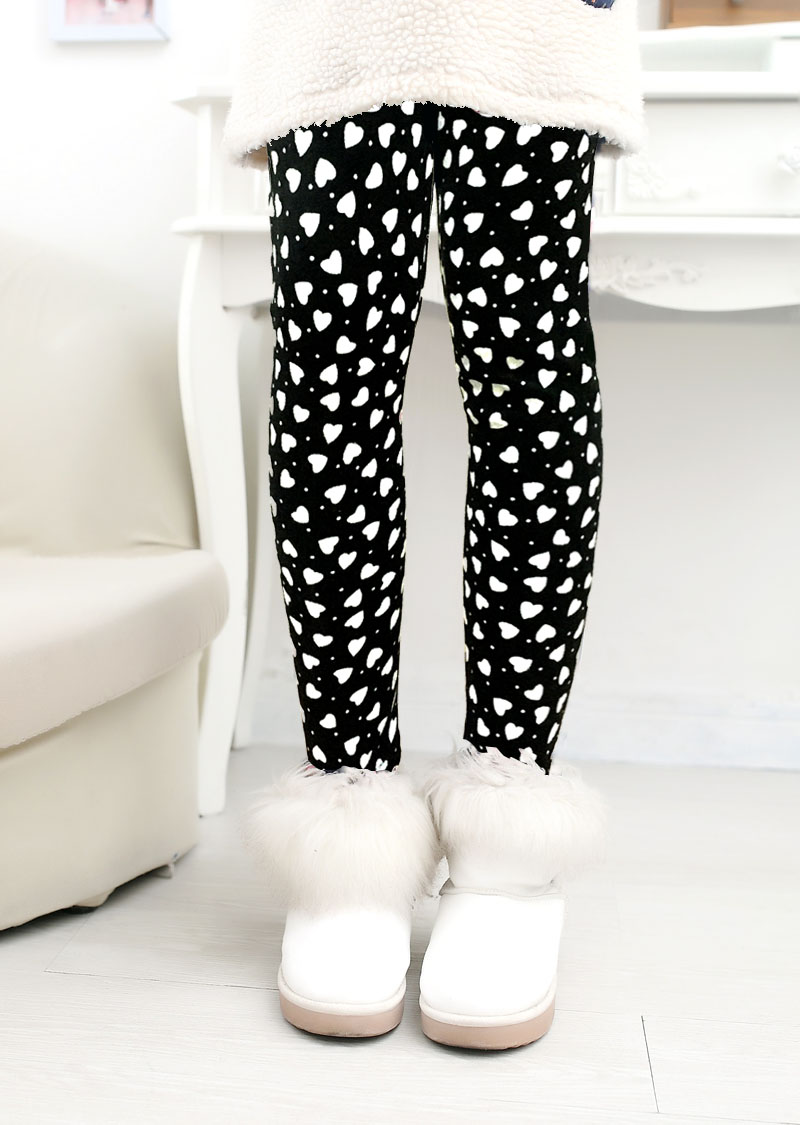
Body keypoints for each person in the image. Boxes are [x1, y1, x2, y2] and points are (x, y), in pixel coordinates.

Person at [222, 0, 646, 1051]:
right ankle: (349, 817)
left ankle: (506, 843)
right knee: (330, 404)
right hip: (334, 36)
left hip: (530, 31)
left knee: (530, 401)